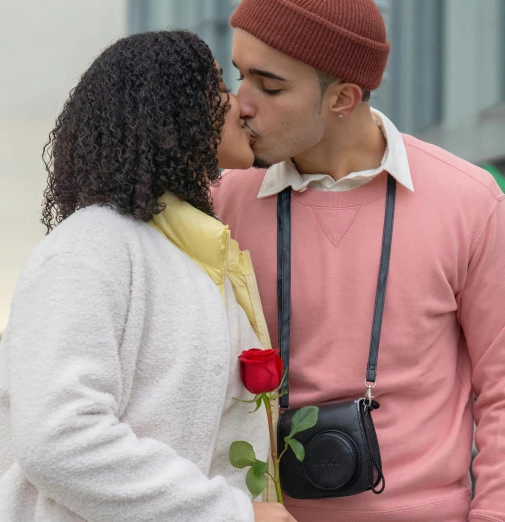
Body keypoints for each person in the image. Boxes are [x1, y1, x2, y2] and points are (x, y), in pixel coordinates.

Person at [0, 30, 295, 522]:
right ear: (172, 110)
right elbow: (59, 438)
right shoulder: (89, 248)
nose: (239, 105)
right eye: (220, 87)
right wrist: (230, 516)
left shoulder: (196, 257)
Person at [213, 1, 505, 521]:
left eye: (270, 85)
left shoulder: (470, 201)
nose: (242, 104)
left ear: (344, 98)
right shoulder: (219, 204)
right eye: (240, 76)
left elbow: (501, 389)